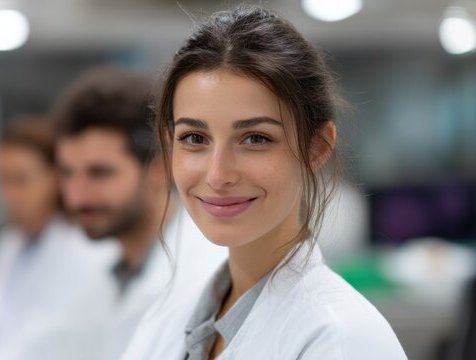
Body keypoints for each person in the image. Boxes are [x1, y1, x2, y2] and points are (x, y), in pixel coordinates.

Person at [122, 6, 407, 360]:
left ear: (316, 148)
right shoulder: (167, 317)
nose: (217, 174)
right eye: (195, 138)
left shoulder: (342, 340)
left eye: (256, 138)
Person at [25, 67, 226, 360]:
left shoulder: (209, 277)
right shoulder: (104, 270)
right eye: (68, 173)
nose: (76, 195)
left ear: (159, 168)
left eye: (99, 173)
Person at [0, 117, 114, 360]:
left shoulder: (84, 251)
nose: (8, 195)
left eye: (20, 180)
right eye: (1, 180)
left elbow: (50, 345)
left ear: (54, 179)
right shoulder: (12, 241)